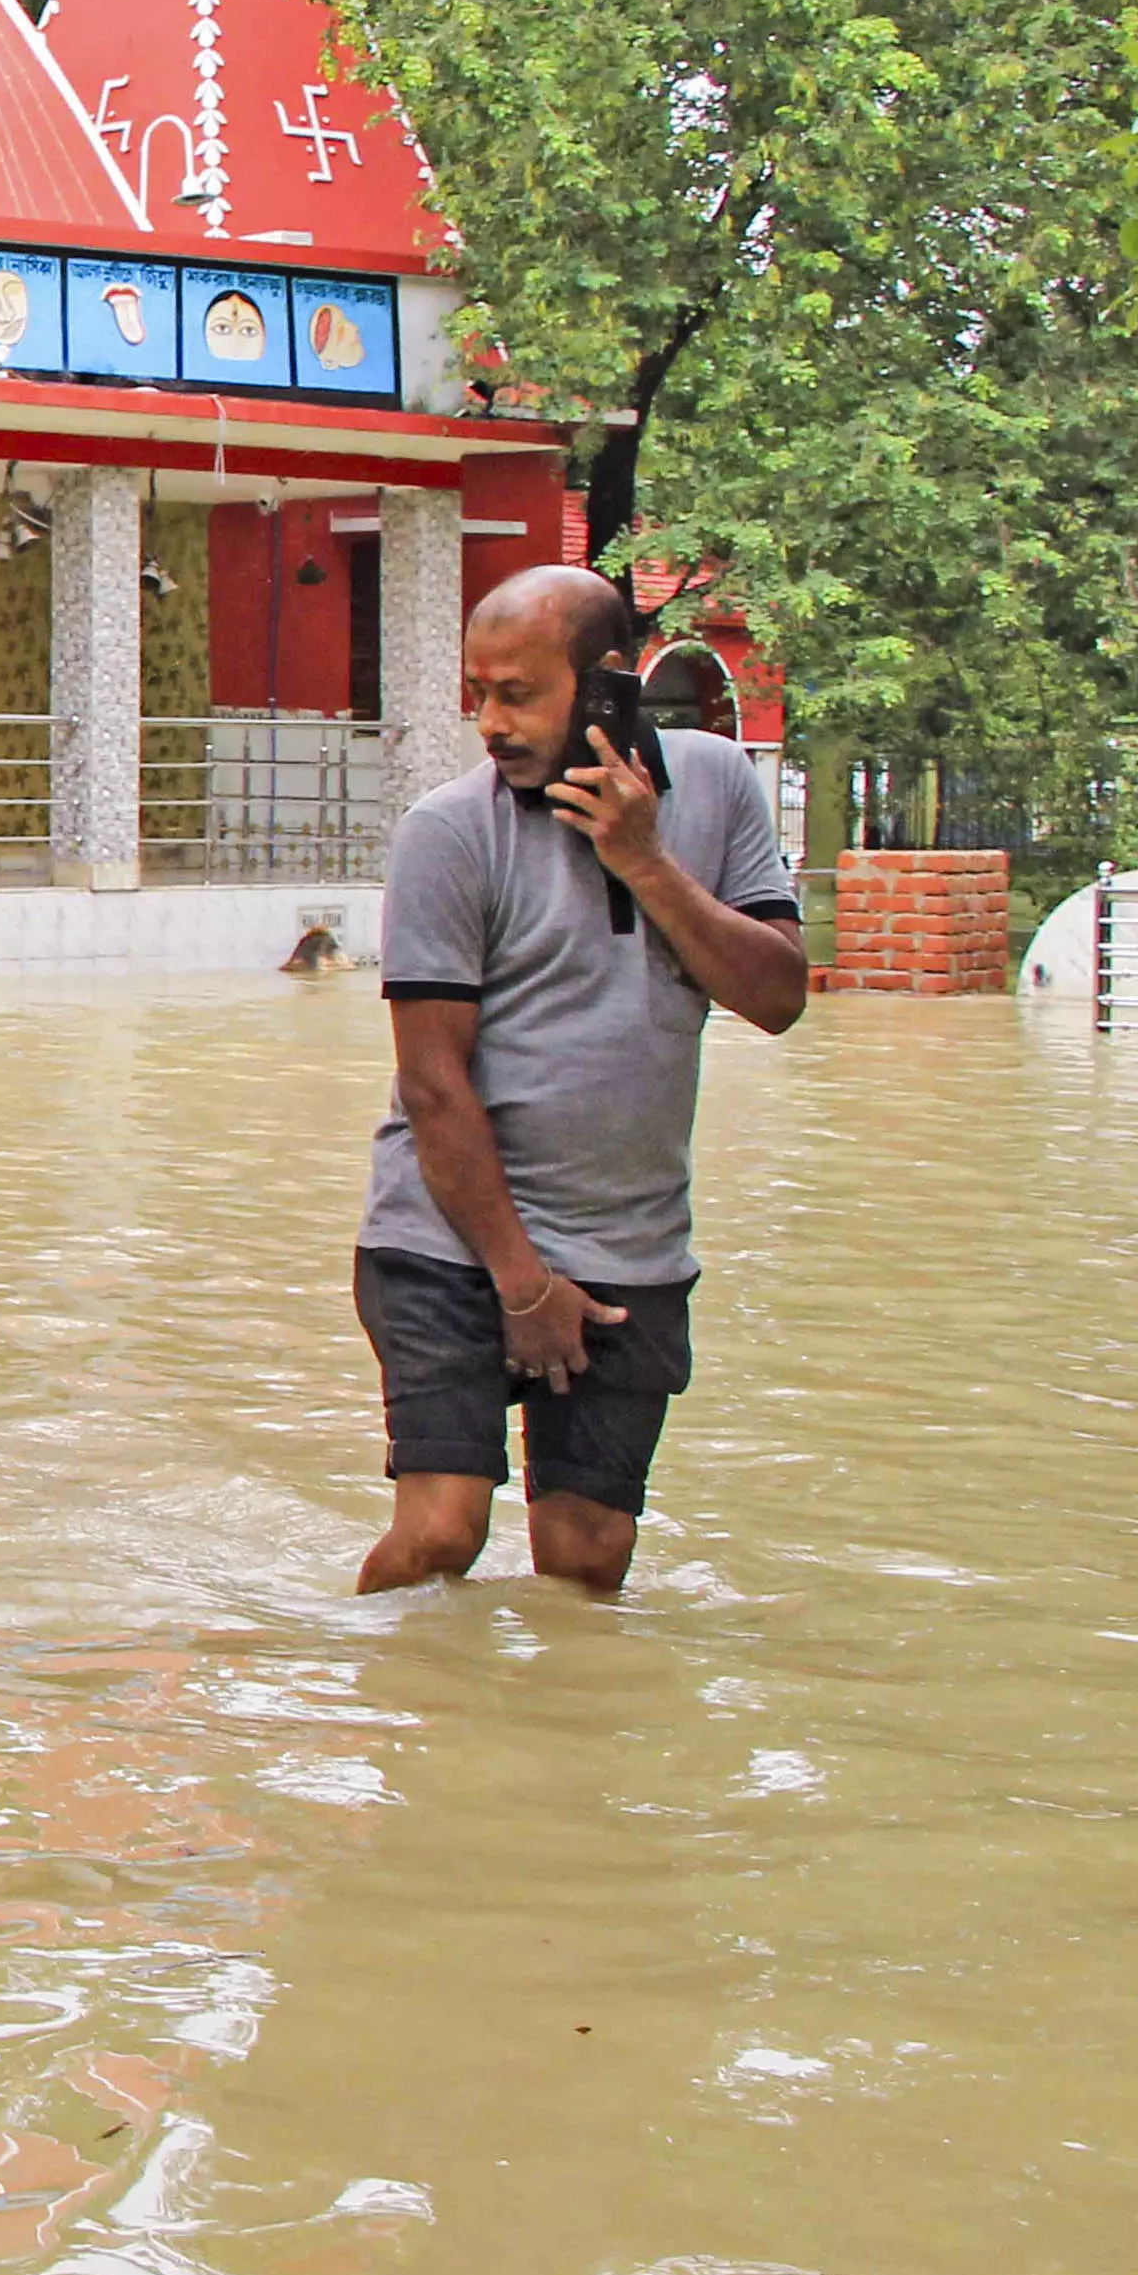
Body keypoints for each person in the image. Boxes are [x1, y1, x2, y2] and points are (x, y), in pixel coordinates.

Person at [353, 566, 806, 1595]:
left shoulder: (720, 785)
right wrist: (524, 1283)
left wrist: (647, 862)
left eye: (518, 692)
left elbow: (778, 997)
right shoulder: (449, 831)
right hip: (451, 1244)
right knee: (440, 1536)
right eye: (477, 692)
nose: (490, 722)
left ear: (608, 685)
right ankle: (383, 1716)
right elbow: (432, 1085)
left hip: (630, 1245)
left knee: (588, 1556)